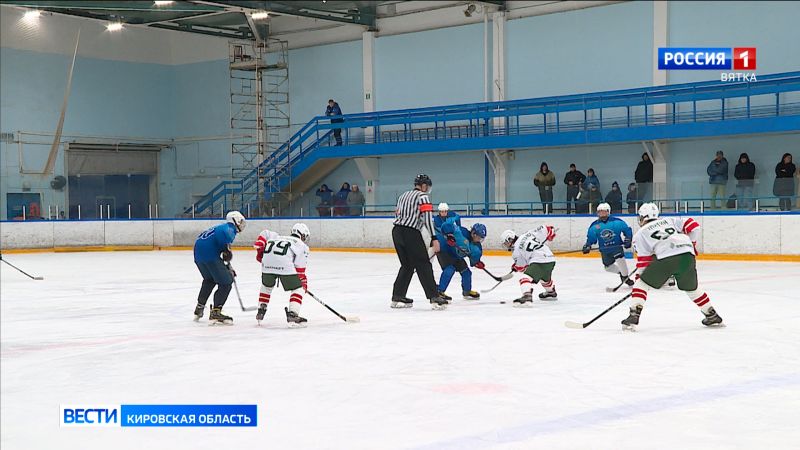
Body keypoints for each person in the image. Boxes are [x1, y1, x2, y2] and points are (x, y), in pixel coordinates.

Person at [622, 203, 722, 330]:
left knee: (642, 283)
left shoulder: (640, 234)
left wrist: (640, 281)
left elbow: (643, 262)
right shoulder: (669, 220)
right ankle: (711, 314)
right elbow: (694, 226)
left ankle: (634, 314)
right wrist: (692, 243)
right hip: (687, 255)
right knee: (691, 288)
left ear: (642, 217)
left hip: (667, 258)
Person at [391, 174, 447, 310]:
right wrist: (434, 238)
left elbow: (397, 213)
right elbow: (427, 218)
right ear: (424, 185)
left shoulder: (403, 195)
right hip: (411, 232)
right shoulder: (423, 196)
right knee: (423, 264)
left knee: (407, 265)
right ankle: (434, 296)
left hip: (396, 231)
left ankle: (397, 296)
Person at [193, 211, 246, 324]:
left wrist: (226, 264)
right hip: (210, 256)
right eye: (240, 221)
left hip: (198, 256)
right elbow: (225, 251)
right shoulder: (229, 228)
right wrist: (227, 256)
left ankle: (200, 307)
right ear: (234, 220)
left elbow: (222, 249)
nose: (241, 224)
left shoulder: (219, 227)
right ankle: (216, 311)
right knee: (226, 282)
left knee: (210, 279)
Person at [254, 223, 311, 327]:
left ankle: (261, 309)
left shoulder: (276, 237)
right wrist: (303, 284)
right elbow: (300, 270)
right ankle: (293, 314)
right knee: (298, 289)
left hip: (267, 265)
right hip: (284, 266)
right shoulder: (301, 245)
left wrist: (260, 246)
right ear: (302, 235)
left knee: (266, 286)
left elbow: (265, 232)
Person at [500, 225, 558, 306]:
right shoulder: (528, 234)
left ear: (510, 239)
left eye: (506, 243)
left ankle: (527, 296)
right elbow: (547, 229)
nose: (506, 245)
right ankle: (551, 292)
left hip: (539, 260)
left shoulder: (516, 252)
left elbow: (522, 267)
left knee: (525, 278)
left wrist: (515, 267)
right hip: (551, 259)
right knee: (544, 278)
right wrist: (551, 234)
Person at [583, 203, 634, 289]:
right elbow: (591, 237)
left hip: (616, 247)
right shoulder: (594, 225)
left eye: (604, 212)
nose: (602, 214)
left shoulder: (617, 222)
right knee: (608, 267)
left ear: (608, 212)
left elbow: (627, 230)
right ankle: (622, 273)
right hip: (605, 250)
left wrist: (628, 239)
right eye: (600, 212)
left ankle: (625, 277)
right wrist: (588, 245)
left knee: (620, 258)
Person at [435, 222, 486, 301]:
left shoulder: (476, 246)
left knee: (466, 272)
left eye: (481, 238)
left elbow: (474, 258)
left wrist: (477, 262)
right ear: (473, 233)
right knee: (450, 269)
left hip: (456, 256)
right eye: (479, 237)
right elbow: (446, 225)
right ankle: (439, 291)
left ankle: (467, 291)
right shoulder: (462, 232)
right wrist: (449, 235)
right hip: (445, 250)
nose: (479, 240)